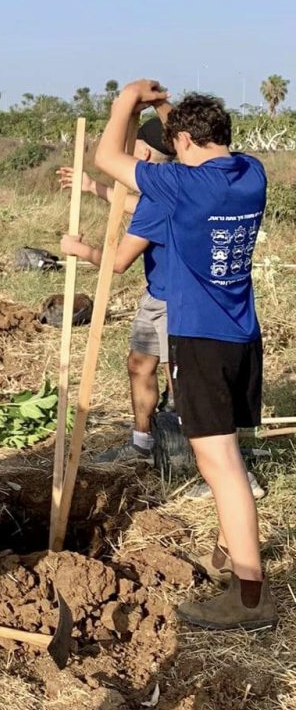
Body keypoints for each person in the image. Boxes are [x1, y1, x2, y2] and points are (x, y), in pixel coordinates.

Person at [93, 82, 272, 631]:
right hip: (243, 335)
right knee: (230, 458)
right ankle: (227, 553)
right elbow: (194, 140)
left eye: (178, 141)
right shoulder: (251, 172)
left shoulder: (179, 185)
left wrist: (128, 99)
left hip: (201, 340)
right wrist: (168, 111)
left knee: (220, 467)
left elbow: (105, 158)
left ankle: (248, 598)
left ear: (186, 141)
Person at [57, 113, 175, 464]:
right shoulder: (160, 194)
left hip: (180, 303)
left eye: (133, 149)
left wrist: (80, 250)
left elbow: (119, 262)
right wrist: (94, 189)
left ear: (147, 155)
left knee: (178, 379)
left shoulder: (163, 199)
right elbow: (137, 207)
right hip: (156, 295)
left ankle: (185, 455)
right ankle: (142, 444)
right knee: (139, 363)